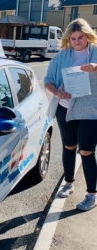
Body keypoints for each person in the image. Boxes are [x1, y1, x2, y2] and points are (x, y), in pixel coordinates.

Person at [44, 18, 97, 211]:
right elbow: (48, 80)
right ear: (68, 38)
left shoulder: (95, 53)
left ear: (87, 36)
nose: (77, 41)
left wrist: (95, 67)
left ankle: (92, 195)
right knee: (69, 146)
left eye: (80, 37)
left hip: (90, 110)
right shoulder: (61, 57)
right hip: (64, 108)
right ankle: (68, 183)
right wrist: (57, 93)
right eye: (73, 38)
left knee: (86, 151)